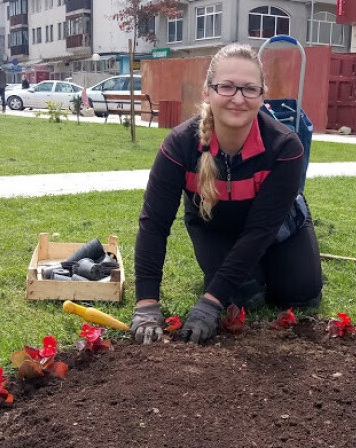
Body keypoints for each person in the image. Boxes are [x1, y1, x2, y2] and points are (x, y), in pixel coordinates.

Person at [130, 43, 323, 346]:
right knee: (242, 296)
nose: (238, 98)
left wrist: (209, 303)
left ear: (262, 95)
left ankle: (266, 267)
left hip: (278, 230)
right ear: (208, 92)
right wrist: (146, 303)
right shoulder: (178, 146)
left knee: (301, 294)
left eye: (249, 89)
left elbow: (261, 230)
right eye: (227, 87)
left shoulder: (284, 148)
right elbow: (154, 224)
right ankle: (247, 273)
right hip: (214, 228)